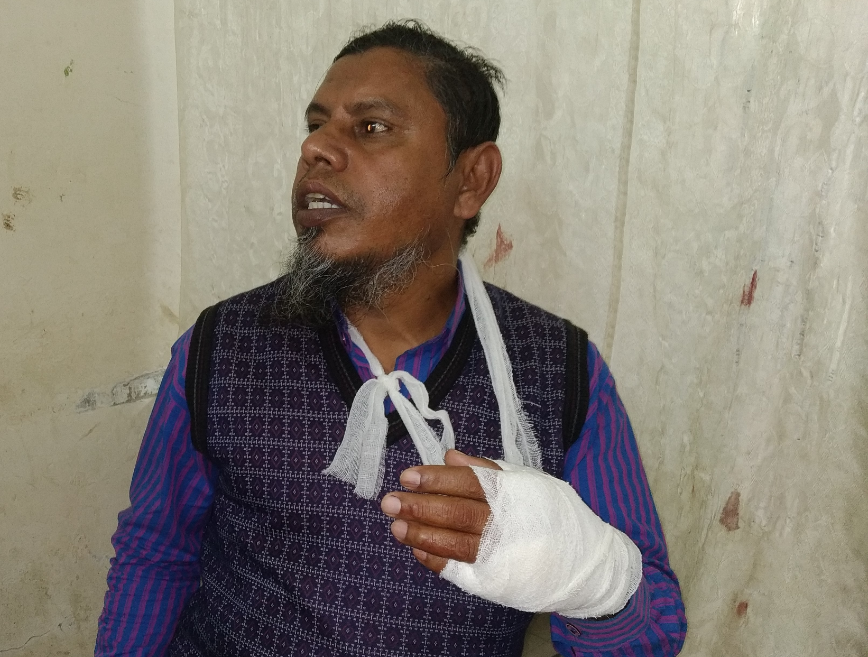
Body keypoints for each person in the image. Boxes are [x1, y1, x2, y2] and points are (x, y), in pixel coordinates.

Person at [96, 20, 686, 657]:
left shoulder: (560, 371)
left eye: (370, 127)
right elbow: (156, 553)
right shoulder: (221, 346)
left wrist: (590, 577)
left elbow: (653, 629)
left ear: (471, 180)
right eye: (315, 124)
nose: (316, 148)